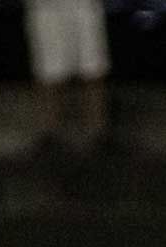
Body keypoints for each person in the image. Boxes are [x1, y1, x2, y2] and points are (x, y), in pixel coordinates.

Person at [24, 0, 110, 153]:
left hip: (85, 6)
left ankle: (98, 132)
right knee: (49, 73)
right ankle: (48, 132)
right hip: (47, 8)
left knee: (93, 69)